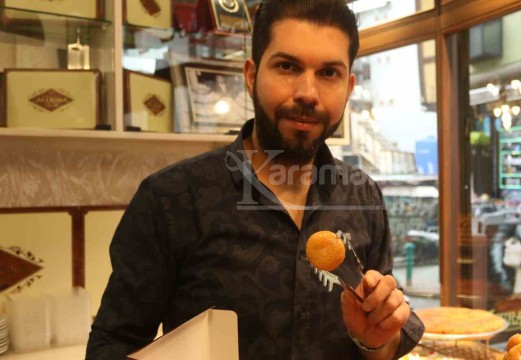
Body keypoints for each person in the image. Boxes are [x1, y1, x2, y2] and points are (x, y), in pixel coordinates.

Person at [86, 1, 424, 359]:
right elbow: (112, 344)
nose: (308, 93)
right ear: (250, 76)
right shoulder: (170, 199)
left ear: (349, 86)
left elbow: (383, 339)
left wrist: (375, 339)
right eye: (287, 66)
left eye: (329, 73)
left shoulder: (362, 195)